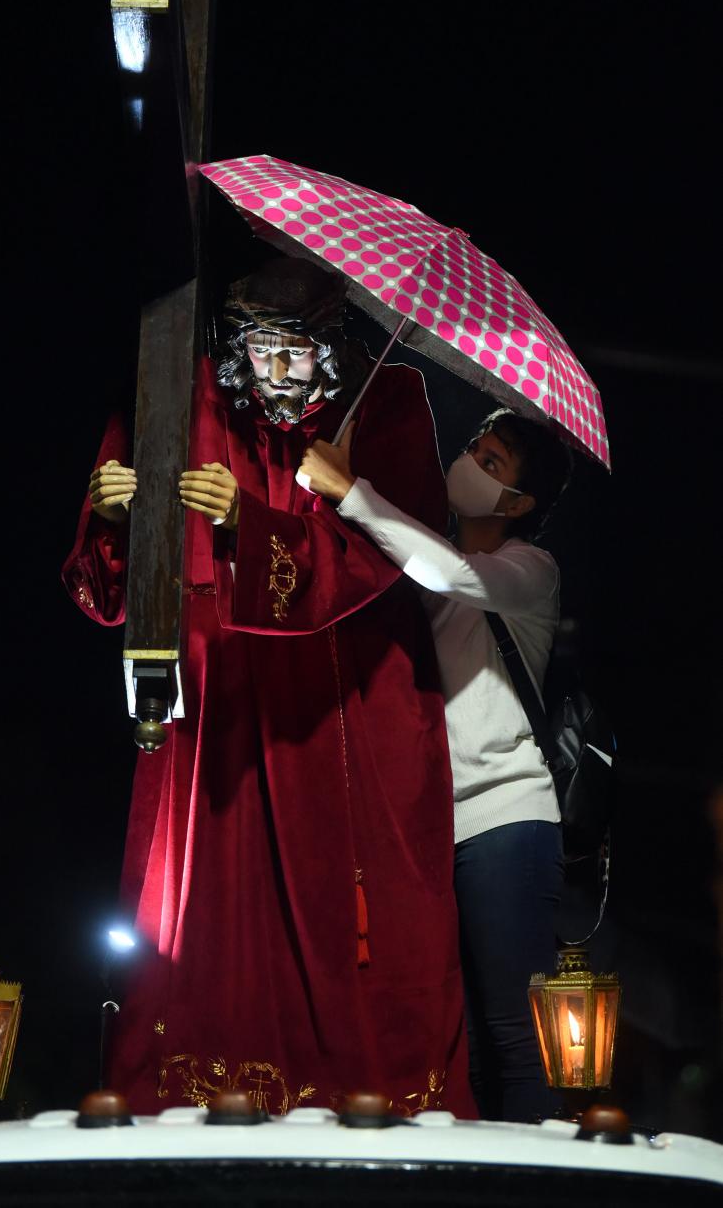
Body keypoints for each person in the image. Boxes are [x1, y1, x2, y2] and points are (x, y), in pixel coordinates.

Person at [63, 257, 475, 1117]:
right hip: (221, 707)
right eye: (258, 354)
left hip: (344, 701)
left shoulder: (384, 398)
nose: (274, 374)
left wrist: (255, 524)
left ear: (330, 342)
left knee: (358, 929)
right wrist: (110, 516)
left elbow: (393, 559)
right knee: (206, 918)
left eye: (294, 354)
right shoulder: (180, 390)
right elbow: (112, 596)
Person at [298, 406, 573, 1121]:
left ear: (519, 503)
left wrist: (350, 488)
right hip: (430, 829)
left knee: (517, 1036)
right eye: (474, 448)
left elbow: (449, 572)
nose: (471, 463)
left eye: (493, 464)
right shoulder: (425, 552)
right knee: (463, 1042)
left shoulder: (529, 571)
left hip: (506, 819)